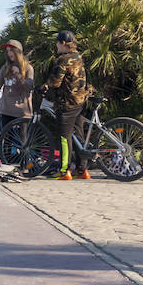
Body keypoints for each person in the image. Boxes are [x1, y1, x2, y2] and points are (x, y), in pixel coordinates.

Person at [41, 31, 90, 180]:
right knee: (78, 135)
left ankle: (64, 170)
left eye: (57, 43)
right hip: (80, 101)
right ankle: (82, 170)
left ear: (62, 43)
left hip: (67, 103)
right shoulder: (78, 57)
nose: (56, 47)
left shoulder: (63, 59)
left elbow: (55, 82)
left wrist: (44, 86)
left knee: (64, 136)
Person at [0, 40, 34, 130]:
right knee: (6, 141)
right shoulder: (5, 67)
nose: (9, 53)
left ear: (18, 51)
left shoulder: (28, 68)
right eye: (7, 51)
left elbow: (29, 88)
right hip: (6, 111)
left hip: (22, 112)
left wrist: (18, 75)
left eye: (11, 50)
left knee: (21, 142)